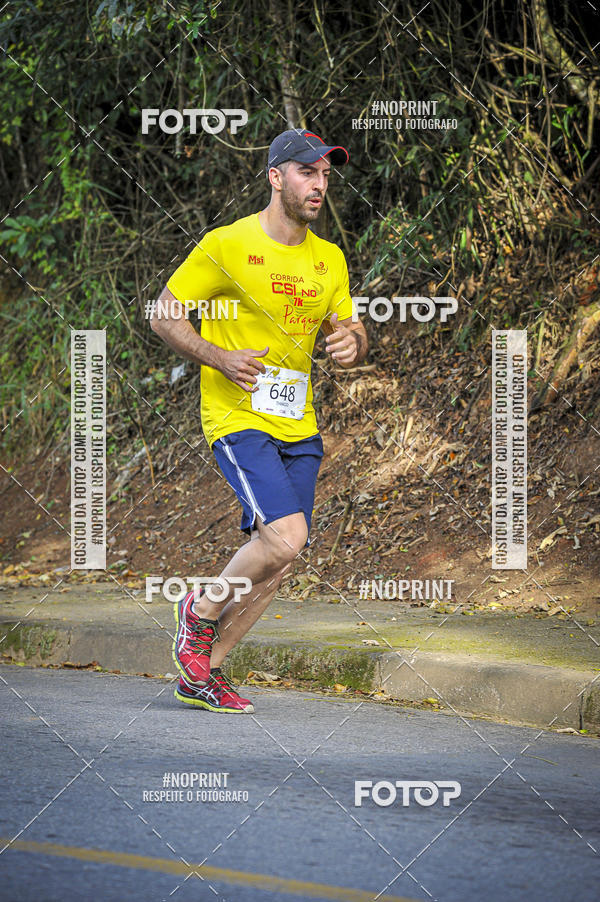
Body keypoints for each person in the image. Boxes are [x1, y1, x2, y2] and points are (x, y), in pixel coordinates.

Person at [151, 128, 368, 713]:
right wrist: (219, 357)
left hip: (299, 424)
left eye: (325, 175)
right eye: (307, 172)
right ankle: (197, 610)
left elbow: (349, 329)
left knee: (278, 557)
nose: (319, 185)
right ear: (276, 176)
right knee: (286, 535)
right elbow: (163, 314)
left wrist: (351, 342)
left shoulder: (329, 259)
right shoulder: (227, 244)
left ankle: (204, 673)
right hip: (236, 415)